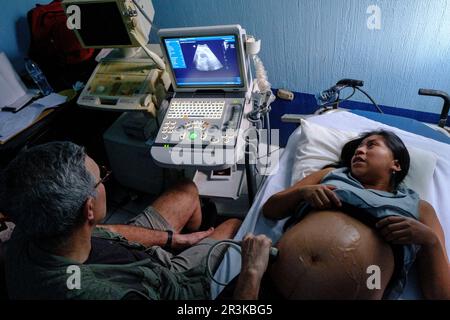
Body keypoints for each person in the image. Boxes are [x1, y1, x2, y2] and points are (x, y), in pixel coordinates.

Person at [0, 141, 272, 300]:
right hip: (168, 282)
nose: (105, 181)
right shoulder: (112, 295)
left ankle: (193, 237)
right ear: (89, 209)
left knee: (186, 190)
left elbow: (104, 231)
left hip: (137, 256)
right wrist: (251, 273)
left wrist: (172, 239)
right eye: (102, 177)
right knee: (234, 226)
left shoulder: (32, 225)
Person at [263, 130, 450, 299]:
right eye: (357, 149)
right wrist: (301, 193)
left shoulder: (419, 208)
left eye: (371, 145)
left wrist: (429, 240)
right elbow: (270, 210)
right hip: (270, 284)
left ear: (396, 164)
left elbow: (441, 295)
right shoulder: (330, 174)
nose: (359, 151)